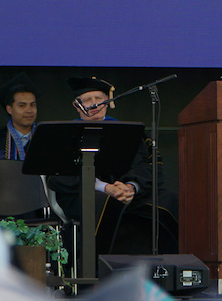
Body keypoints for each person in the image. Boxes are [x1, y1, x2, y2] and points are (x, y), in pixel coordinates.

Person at [48, 77, 178, 255]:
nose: (94, 105)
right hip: (82, 193)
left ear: (108, 102)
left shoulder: (125, 131)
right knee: (105, 203)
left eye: (99, 99)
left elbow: (147, 166)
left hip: (125, 193)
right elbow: (59, 177)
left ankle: (164, 269)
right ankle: (97, 270)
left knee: (168, 200)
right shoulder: (63, 135)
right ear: (77, 105)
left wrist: (131, 187)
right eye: (87, 100)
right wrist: (105, 188)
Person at [0, 73, 39, 161]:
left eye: (32, 105)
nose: (29, 110)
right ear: (9, 109)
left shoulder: (48, 140)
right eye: (22, 105)